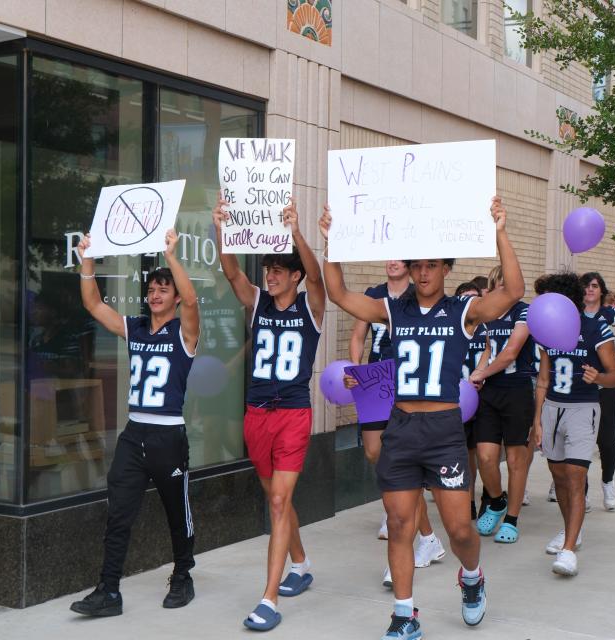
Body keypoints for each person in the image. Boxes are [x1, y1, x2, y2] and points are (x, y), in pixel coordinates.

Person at [320, 196, 525, 636]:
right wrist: (330, 242)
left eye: (432, 265)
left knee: (460, 530)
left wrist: (501, 231)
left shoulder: (462, 312)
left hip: (445, 429)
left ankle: (471, 578)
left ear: (446, 269)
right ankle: (404, 614)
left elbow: (513, 292)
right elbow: (338, 294)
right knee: (398, 524)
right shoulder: (393, 309)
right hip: (401, 426)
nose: (424, 272)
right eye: (418, 266)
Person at [70, 229, 200, 616]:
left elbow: (192, 301)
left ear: (174, 296)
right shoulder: (136, 328)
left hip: (167, 434)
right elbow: (93, 305)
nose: (156, 294)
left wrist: (172, 257)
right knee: (118, 514)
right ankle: (108, 590)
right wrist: (88, 261)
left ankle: (183, 575)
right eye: (153, 289)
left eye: (164, 289)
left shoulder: (185, 333)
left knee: (177, 512)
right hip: (134, 434)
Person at [213, 198, 325, 632]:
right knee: (276, 499)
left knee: (279, 501)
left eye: (279, 268)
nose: (271, 274)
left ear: (294, 275)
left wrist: (297, 231)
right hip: (255, 414)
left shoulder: (310, 307)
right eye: (268, 268)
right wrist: (220, 228)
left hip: (293, 413)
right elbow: (231, 272)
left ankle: (269, 598)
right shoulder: (257, 302)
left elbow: (317, 278)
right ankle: (301, 562)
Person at [344, 263, 445, 588]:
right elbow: (358, 334)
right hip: (375, 378)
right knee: (376, 453)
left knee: (400, 462)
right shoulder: (374, 295)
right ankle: (427, 535)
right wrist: (355, 369)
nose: (393, 261)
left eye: (401, 257)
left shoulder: (421, 294)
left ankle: (411, 538)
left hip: (407, 380)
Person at [532, 272, 615, 577]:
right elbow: (543, 379)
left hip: (583, 408)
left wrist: (599, 377)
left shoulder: (596, 327)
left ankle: (569, 549)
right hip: (552, 407)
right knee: (558, 477)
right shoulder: (546, 328)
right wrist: (537, 420)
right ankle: (572, 529)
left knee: (575, 476)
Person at [470, 265, 535, 543]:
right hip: (491, 391)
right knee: (485, 456)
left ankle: (512, 519)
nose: (498, 290)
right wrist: (478, 374)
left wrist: (483, 372)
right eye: (495, 285)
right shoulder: (489, 313)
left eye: (503, 284)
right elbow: (488, 348)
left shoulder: (524, 311)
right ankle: (497, 502)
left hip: (517, 389)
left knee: (516, 460)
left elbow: (510, 352)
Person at [579, 272, 615, 511]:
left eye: (594, 286)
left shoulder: (613, 315)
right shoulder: (572, 315)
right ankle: (581, 492)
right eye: (585, 286)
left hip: (607, 384)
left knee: (606, 439)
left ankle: (608, 482)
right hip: (580, 385)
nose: (590, 290)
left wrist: (605, 350)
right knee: (579, 441)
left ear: (602, 291)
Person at [455, 281, 487, 522]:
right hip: (457, 400)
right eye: (464, 297)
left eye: (474, 297)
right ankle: (468, 502)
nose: (469, 302)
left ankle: (489, 496)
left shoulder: (487, 329)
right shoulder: (450, 327)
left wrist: (484, 375)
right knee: (464, 454)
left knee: (483, 454)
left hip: (484, 398)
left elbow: (496, 356)